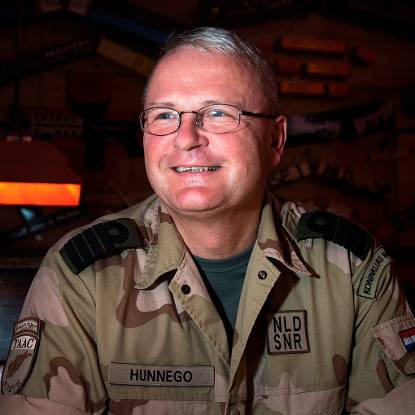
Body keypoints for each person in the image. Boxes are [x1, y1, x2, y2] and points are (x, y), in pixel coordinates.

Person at [1, 27, 414, 415]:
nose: (186, 138)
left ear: (275, 141)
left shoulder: (353, 268)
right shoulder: (81, 276)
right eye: (164, 115)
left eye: (217, 113)